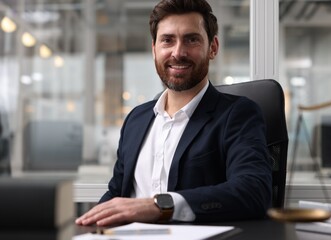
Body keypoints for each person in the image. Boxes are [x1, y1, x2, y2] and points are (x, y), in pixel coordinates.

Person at [76, 0, 272, 227]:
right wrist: (89, 226)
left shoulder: (237, 114)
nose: (178, 52)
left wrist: (161, 205)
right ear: (154, 49)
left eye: (191, 39)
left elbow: (254, 191)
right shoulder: (136, 120)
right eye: (167, 40)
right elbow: (117, 192)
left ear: (213, 48)